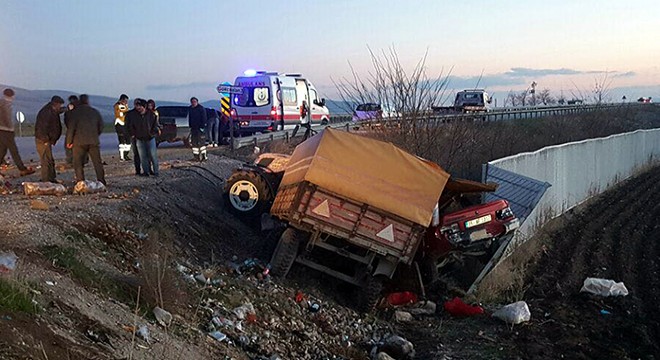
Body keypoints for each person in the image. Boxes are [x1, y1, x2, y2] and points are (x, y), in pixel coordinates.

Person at [65, 94, 106, 185]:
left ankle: (80, 181)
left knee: (78, 163)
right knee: (97, 163)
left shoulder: (75, 113)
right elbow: (101, 126)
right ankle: (101, 181)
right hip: (93, 141)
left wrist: (69, 141)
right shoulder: (95, 112)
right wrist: (95, 135)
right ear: (88, 101)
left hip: (78, 141)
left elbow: (71, 128)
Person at [0, 88, 35, 176]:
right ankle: (22, 169)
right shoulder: (5, 104)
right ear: (12, 95)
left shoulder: (3, 102)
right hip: (6, 130)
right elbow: (6, 118)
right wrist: (11, 128)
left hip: (3, 130)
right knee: (14, 150)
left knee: (2, 151)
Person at [35, 95, 64, 183]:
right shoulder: (46, 112)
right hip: (43, 140)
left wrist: (67, 109)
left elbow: (59, 112)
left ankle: (51, 178)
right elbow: (42, 127)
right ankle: (46, 180)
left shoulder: (52, 110)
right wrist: (46, 140)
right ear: (55, 104)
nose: (60, 107)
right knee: (46, 160)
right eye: (60, 105)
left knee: (49, 159)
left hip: (47, 139)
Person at [127, 99, 159, 176]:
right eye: (136, 106)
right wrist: (133, 134)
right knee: (142, 156)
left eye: (139, 106)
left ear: (144, 106)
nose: (138, 108)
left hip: (150, 138)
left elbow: (155, 125)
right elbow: (131, 126)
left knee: (153, 155)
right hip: (139, 138)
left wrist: (152, 134)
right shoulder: (134, 115)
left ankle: (156, 172)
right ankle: (146, 172)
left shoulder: (151, 114)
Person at [125, 98, 142, 175]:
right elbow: (127, 125)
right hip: (134, 136)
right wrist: (130, 134)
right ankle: (138, 170)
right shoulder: (130, 114)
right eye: (137, 104)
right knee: (137, 154)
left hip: (143, 136)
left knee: (144, 154)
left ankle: (146, 169)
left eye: (139, 105)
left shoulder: (143, 113)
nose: (138, 106)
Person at [188, 97, 207, 161]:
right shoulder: (190, 109)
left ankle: (204, 156)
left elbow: (204, 118)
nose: (193, 103)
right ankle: (196, 156)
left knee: (201, 143)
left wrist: (202, 126)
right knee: (194, 143)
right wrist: (190, 125)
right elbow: (190, 118)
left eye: (194, 101)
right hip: (193, 128)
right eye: (192, 102)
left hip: (200, 128)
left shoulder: (201, 109)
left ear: (197, 102)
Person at [113, 94, 131, 161]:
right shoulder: (117, 105)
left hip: (125, 125)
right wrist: (127, 112)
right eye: (125, 101)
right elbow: (120, 114)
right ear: (122, 100)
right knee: (122, 141)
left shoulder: (125, 106)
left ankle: (125, 154)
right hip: (120, 124)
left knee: (128, 141)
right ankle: (122, 156)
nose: (126, 102)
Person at [63, 95, 79, 167]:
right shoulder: (81, 109)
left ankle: (71, 161)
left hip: (72, 129)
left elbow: (67, 121)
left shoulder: (71, 111)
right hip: (79, 131)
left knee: (68, 145)